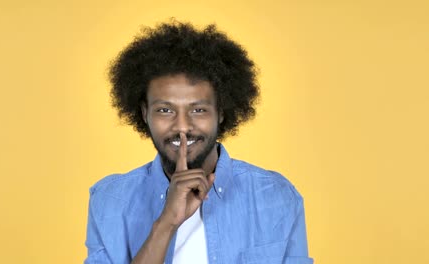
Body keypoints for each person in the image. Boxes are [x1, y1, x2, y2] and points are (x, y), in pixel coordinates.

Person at [85, 21, 313, 264]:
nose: (182, 126)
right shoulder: (110, 200)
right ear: (144, 113)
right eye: (165, 110)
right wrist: (166, 224)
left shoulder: (276, 197)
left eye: (198, 110)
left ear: (221, 112)